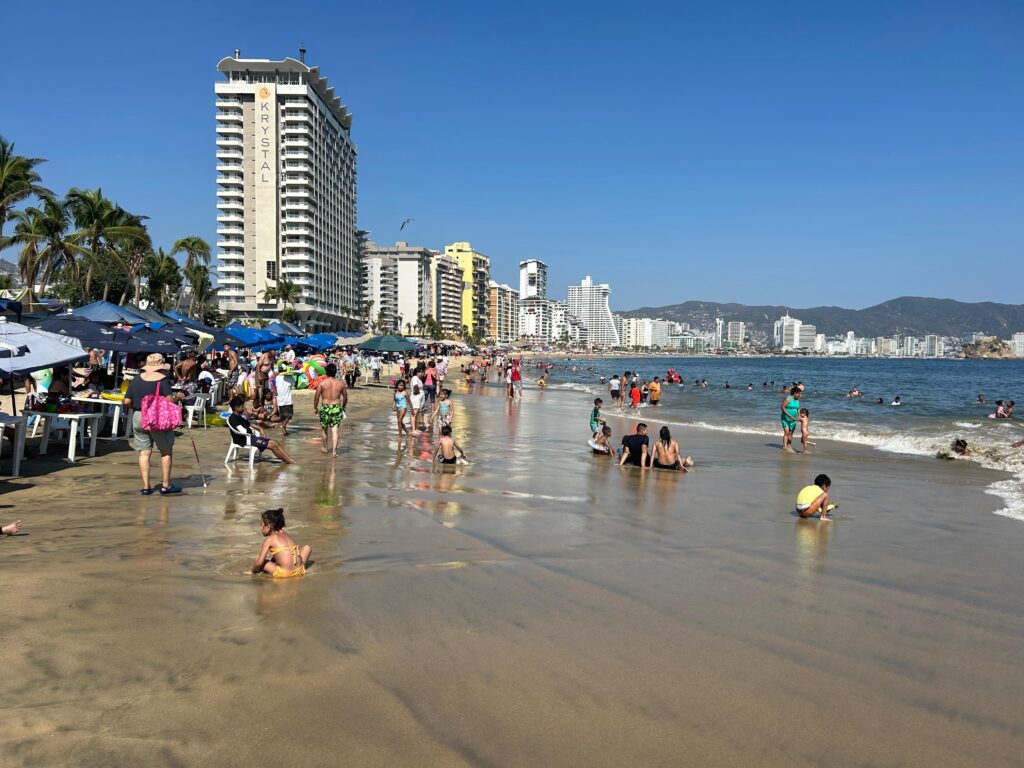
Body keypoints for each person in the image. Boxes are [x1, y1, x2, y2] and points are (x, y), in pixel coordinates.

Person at [123, 354, 182, 495]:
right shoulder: (162, 381)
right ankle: (166, 485)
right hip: (156, 418)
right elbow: (169, 401)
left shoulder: (136, 379)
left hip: (138, 416)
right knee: (166, 451)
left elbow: (126, 401)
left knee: (144, 452)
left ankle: (146, 486)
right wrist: (178, 397)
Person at [227, 395, 295, 464]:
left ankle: (288, 459)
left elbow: (249, 424)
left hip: (250, 437)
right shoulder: (233, 418)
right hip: (245, 440)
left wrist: (260, 429)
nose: (244, 408)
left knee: (275, 442)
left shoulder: (239, 416)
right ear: (236, 408)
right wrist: (253, 432)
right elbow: (243, 431)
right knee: (273, 445)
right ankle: (289, 461)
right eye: (242, 407)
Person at [250, 508, 309, 577]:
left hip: (284, 574)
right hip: (299, 570)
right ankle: (295, 567)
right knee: (307, 548)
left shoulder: (269, 539)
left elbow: (259, 562)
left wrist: (251, 571)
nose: (260, 527)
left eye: (261, 524)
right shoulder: (286, 534)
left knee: (258, 559)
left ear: (268, 526)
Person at [313, 363, 347, 455]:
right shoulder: (341, 384)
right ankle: (334, 452)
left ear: (326, 372)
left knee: (324, 429)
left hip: (325, 407)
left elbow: (316, 397)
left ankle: (325, 448)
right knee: (335, 430)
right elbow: (345, 397)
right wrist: (343, 407)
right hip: (336, 407)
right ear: (335, 372)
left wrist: (315, 408)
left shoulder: (322, 383)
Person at [780, 386, 801, 452]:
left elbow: (798, 409)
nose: (800, 395)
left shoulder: (797, 400)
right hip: (785, 418)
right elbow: (782, 407)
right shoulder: (788, 398)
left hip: (794, 419)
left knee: (791, 433)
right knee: (786, 432)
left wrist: (800, 416)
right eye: (799, 393)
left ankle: (789, 445)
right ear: (795, 393)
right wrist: (789, 415)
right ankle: (785, 446)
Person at [274, 369, 294, 435]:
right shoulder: (289, 377)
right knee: (289, 415)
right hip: (287, 400)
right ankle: (283, 426)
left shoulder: (277, 377)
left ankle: (284, 431)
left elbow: (276, 386)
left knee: (283, 417)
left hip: (280, 400)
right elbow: (293, 384)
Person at [409, 366, 426, 432]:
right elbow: (415, 386)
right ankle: (413, 430)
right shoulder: (415, 378)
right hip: (416, 397)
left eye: (422, 372)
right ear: (417, 372)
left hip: (419, 397)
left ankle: (415, 428)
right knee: (414, 413)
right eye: (421, 372)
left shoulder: (419, 379)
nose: (422, 373)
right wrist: (417, 393)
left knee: (417, 413)